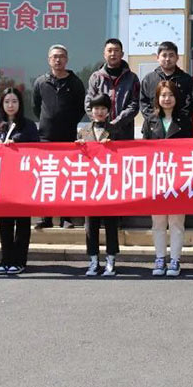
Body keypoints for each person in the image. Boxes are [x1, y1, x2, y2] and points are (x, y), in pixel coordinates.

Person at [142, 80, 193, 277]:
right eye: (163, 95)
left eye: (170, 95)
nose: (167, 99)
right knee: (158, 222)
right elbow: (144, 150)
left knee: (176, 221)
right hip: (157, 177)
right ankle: (160, 257)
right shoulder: (150, 120)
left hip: (178, 177)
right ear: (157, 98)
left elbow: (190, 150)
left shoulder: (184, 120)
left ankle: (175, 259)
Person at [33, 44, 86, 230]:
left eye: (61, 56)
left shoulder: (75, 82)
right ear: (49, 60)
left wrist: (68, 122)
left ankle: (66, 217)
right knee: (47, 177)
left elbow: (81, 108)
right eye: (54, 56)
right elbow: (35, 107)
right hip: (45, 137)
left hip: (68, 138)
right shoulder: (40, 82)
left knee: (66, 176)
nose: (58, 60)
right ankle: (46, 217)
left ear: (67, 59)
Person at [0, 87, 40, 275]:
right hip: (2, 181)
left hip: (23, 181)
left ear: (20, 104)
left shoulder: (28, 126)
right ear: (2, 104)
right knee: (5, 223)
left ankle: (19, 260)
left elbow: (36, 151)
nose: (11, 105)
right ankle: (6, 259)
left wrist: (17, 147)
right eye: (7, 101)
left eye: (14, 101)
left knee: (23, 223)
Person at [77, 94, 127, 277]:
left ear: (108, 111)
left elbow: (124, 155)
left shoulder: (115, 130)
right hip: (90, 185)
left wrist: (113, 146)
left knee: (111, 224)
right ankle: (93, 260)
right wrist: (78, 147)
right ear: (91, 111)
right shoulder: (83, 132)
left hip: (109, 183)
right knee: (91, 225)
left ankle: (111, 260)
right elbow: (76, 158)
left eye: (103, 108)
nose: (99, 112)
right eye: (96, 108)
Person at [85, 38, 140, 140]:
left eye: (116, 50)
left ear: (122, 54)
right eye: (109, 50)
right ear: (104, 54)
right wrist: (100, 121)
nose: (113, 54)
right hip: (100, 133)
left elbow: (134, 105)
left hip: (124, 132)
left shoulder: (132, 78)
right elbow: (89, 103)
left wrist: (115, 123)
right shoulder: (96, 77)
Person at [139, 40, 193, 125]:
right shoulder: (149, 79)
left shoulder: (186, 79)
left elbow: (190, 104)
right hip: (154, 126)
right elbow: (143, 103)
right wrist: (155, 120)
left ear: (177, 57)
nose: (167, 59)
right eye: (164, 55)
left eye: (171, 55)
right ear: (157, 57)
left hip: (180, 126)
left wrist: (176, 121)